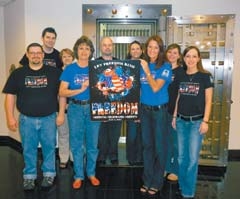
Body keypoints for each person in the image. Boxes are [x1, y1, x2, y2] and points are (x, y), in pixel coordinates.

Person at [2, 43, 65, 190]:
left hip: (49, 118)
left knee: (49, 147)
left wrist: (61, 113)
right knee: (28, 149)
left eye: (39, 53)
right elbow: (10, 96)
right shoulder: (18, 74)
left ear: (43, 55)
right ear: (28, 54)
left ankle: (49, 174)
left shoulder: (54, 72)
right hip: (26, 119)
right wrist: (10, 117)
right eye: (33, 53)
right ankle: (29, 177)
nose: (36, 55)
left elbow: (61, 95)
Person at [59, 36, 101, 189]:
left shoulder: (96, 68)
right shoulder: (70, 68)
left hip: (93, 108)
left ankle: (91, 173)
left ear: (91, 52)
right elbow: (62, 91)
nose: (84, 51)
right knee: (76, 144)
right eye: (81, 48)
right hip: (75, 109)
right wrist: (81, 89)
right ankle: (78, 175)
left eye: (87, 48)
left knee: (92, 144)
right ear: (77, 50)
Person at [172, 46, 213, 199]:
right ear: (184, 58)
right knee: (182, 158)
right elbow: (178, 97)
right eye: (188, 56)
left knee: (192, 159)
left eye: (194, 56)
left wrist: (205, 121)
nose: (190, 59)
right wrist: (174, 117)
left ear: (198, 58)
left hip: (197, 123)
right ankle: (183, 186)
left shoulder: (205, 76)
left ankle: (188, 193)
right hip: (181, 121)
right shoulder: (181, 75)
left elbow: (209, 101)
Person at [139, 35, 172, 196]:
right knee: (147, 147)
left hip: (159, 112)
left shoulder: (165, 66)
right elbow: (136, 88)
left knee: (160, 147)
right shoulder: (142, 64)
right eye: (150, 47)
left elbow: (155, 88)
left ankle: (157, 182)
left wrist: (146, 70)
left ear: (160, 50)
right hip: (145, 111)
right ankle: (147, 180)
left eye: (156, 47)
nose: (152, 50)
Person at [96, 36, 122, 166]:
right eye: (104, 45)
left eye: (109, 45)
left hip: (116, 104)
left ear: (113, 47)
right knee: (101, 134)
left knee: (115, 132)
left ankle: (113, 155)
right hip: (100, 105)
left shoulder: (119, 63)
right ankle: (101, 156)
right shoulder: (95, 63)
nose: (107, 47)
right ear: (101, 47)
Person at [165, 43, 184, 182]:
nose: (172, 55)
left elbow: (180, 95)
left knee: (175, 143)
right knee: (164, 142)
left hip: (174, 112)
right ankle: (165, 167)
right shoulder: (163, 69)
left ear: (179, 55)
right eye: (170, 52)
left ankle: (175, 169)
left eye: (175, 53)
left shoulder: (182, 72)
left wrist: (175, 114)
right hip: (162, 111)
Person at [125, 40, 145, 166]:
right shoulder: (125, 65)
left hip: (145, 103)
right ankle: (131, 158)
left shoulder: (146, 65)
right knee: (131, 134)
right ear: (129, 51)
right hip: (130, 104)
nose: (135, 51)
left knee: (143, 134)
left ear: (142, 50)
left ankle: (141, 158)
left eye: (138, 48)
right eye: (133, 49)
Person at [57, 48, 74, 169]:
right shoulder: (56, 73)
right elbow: (56, 92)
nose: (67, 58)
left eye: (69, 56)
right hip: (61, 110)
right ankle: (63, 158)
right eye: (64, 57)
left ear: (73, 58)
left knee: (75, 135)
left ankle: (74, 157)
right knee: (63, 134)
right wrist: (62, 106)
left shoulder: (76, 71)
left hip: (75, 109)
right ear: (61, 59)